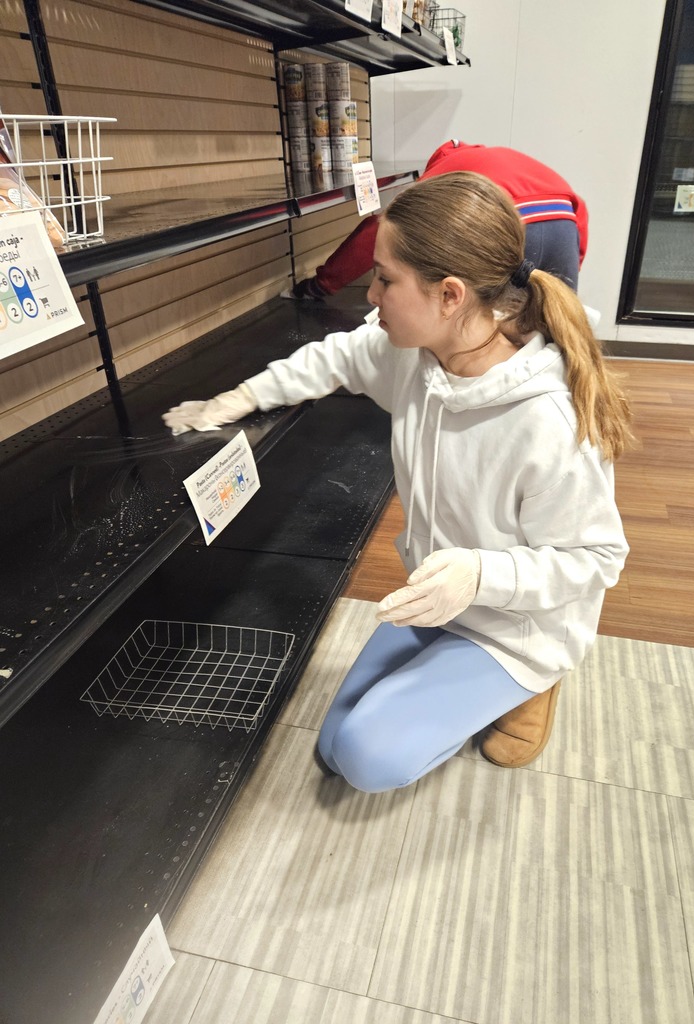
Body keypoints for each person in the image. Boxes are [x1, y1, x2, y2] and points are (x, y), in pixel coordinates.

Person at [163, 172, 631, 793]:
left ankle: (538, 682)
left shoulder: (548, 418)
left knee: (364, 758)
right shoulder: (415, 352)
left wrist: (481, 576)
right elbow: (336, 357)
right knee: (332, 749)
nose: (370, 295)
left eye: (385, 278)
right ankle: (444, 682)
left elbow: (596, 557)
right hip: (435, 601)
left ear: (450, 295)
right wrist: (241, 396)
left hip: (518, 626)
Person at [286, 140, 589, 298]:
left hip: (505, 224)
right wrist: (570, 263)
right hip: (565, 222)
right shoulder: (495, 157)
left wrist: (320, 285)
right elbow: (580, 214)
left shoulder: (446, 174)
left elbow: (382, 231)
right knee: (558, 331)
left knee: (497, 336)